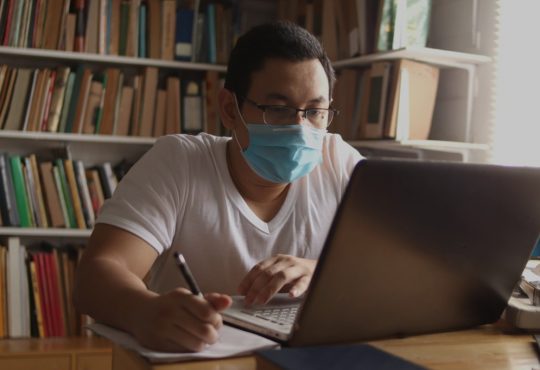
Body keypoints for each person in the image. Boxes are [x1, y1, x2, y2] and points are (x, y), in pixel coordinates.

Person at [74, 20, 362, 352]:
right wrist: (143, 312)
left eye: (314, 111)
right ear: (229, 108)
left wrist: (319, 271)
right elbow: (95, 277)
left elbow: (392, 270)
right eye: (278, 110)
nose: (300, 128)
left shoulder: (340, 163)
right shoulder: (179, 162)